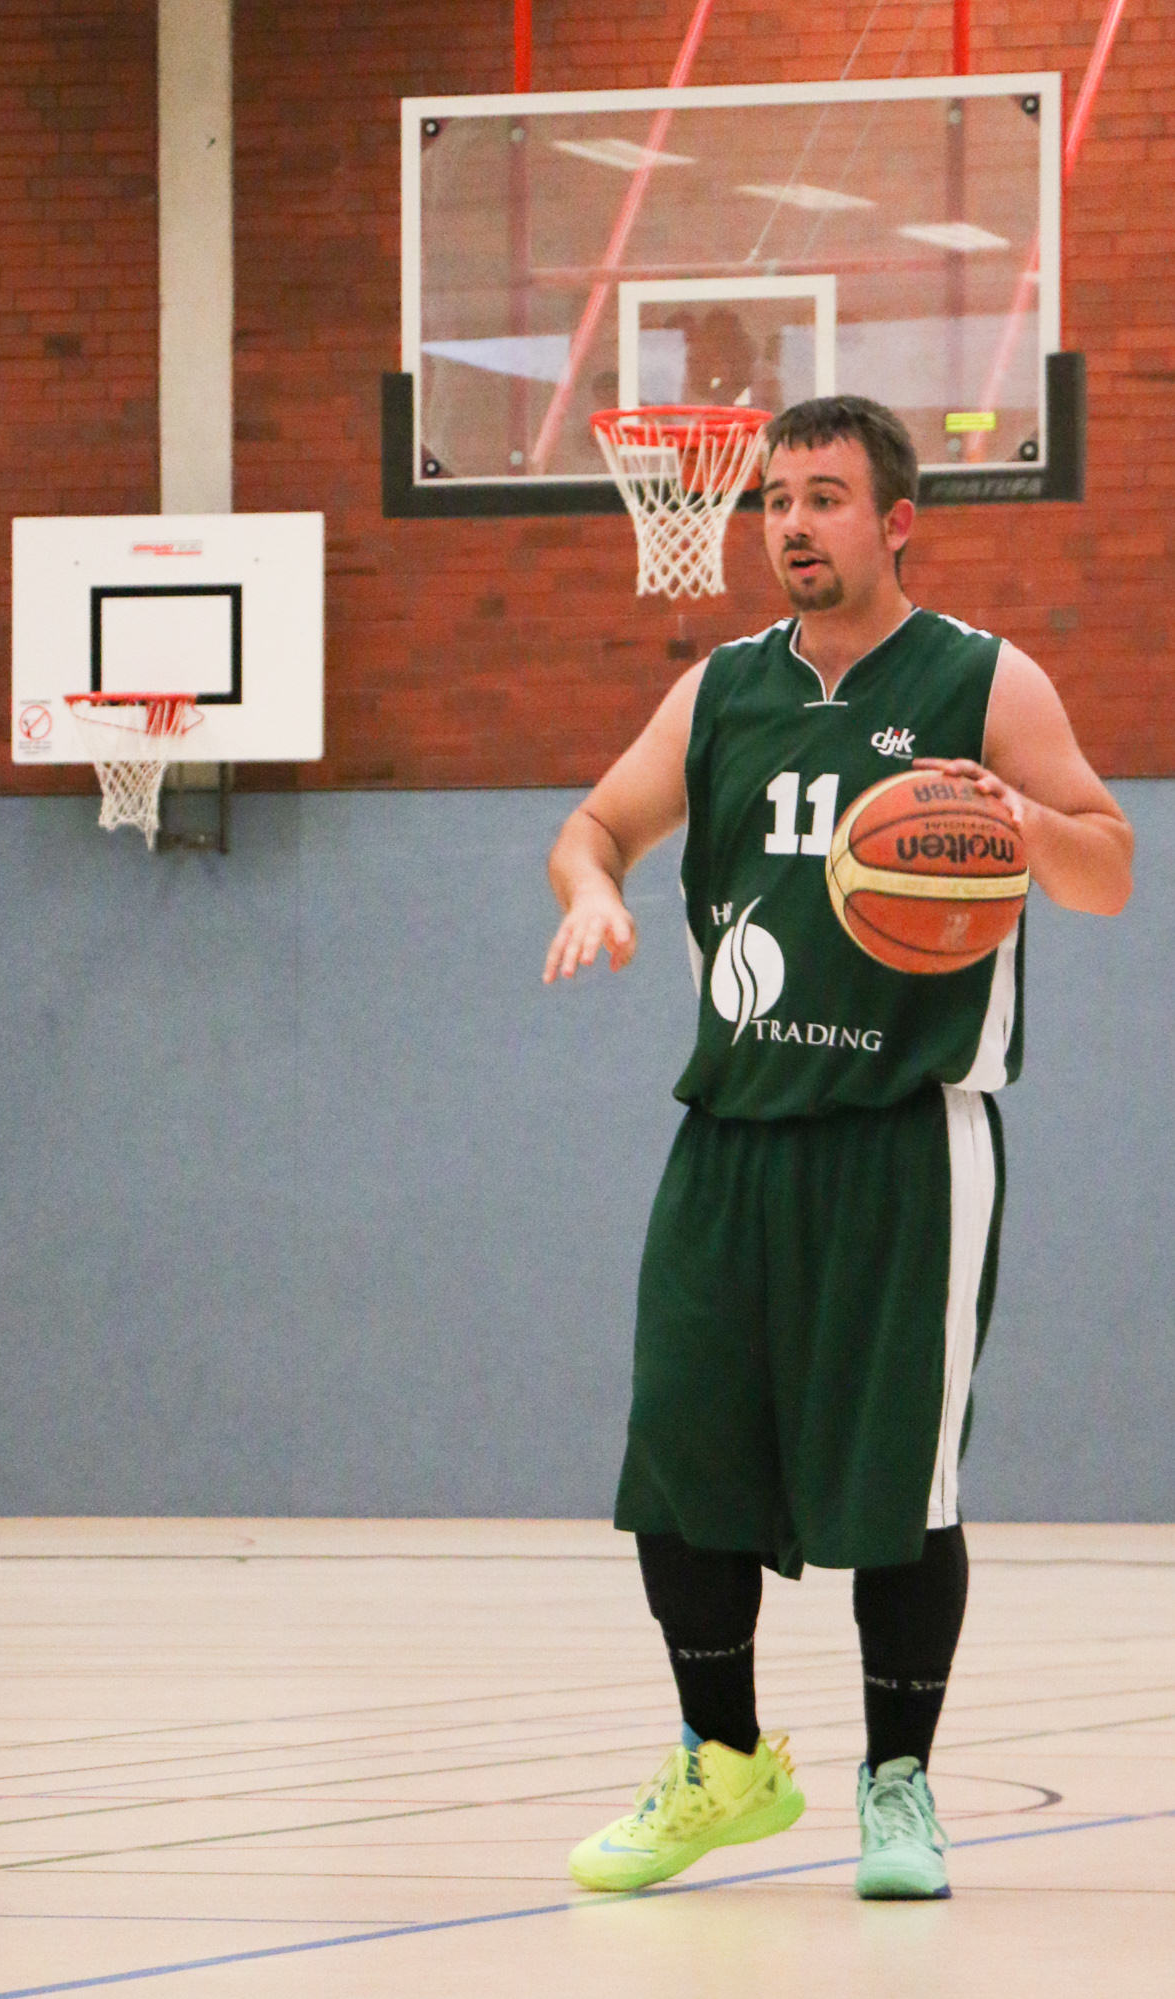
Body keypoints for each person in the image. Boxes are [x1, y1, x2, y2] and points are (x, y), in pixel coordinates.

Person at [543, 395, 1133, 1901]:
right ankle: (722, 1761)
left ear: (896, 521)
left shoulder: (984, 680)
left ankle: (897, 1785)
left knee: (899, 1485)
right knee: (680, 1456)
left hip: (906, 1138)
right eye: (775, 501)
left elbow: (1110, 867)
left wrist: (1024, 825)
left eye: (824, 497)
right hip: (732, 1133)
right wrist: (593, 891)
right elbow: (594, 824)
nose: (793, 524)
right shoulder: (722, 690)